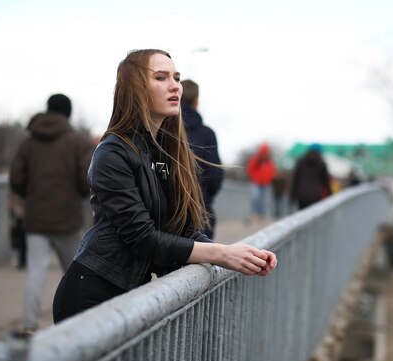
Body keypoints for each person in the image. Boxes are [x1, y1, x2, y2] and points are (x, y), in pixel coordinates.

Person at [52, 49, 277, 324]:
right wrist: (224, 254)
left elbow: (182, 229)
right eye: (161, 77)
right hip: (93, 293)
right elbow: (143, 237)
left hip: (130, 296)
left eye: (177, 78)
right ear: (135, 89)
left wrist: (239, 254)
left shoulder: (164, 152)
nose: (175, 86)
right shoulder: (112, 152)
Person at [10, 94, 94, 335]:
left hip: (36, 217)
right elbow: (86, 178)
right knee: (76, 273)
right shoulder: (77, 141)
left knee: (36, 271)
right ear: (67, 113)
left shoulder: (29, 142)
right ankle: (79, 323)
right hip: (67, 218)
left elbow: (16, 178)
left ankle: (29, 325)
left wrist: (31, 194)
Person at [180, 79, 224, 239]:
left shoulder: (160, 130)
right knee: (202, 263)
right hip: (200, 213)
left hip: (166, 222)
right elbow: (215, 177)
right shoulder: (206, 134)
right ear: (196, 101)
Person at [290, 144, 332, 210]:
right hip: (316, 195)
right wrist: (330, 195)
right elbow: (326, 182)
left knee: (303, 216)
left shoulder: (301, 162)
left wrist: (292, 197)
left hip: (302, 195)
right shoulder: (321, 164)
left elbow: (296, 180)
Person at [246, 143, 277, 222]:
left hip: (266, 184)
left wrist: (269, 179)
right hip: (256, 183)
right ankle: (255, 214)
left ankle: (263, 215)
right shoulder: (255, 160)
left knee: (265, 200)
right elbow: (250, 170)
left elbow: (273, 172)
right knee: (255, 197)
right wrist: (254, 178)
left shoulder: (269, 162)